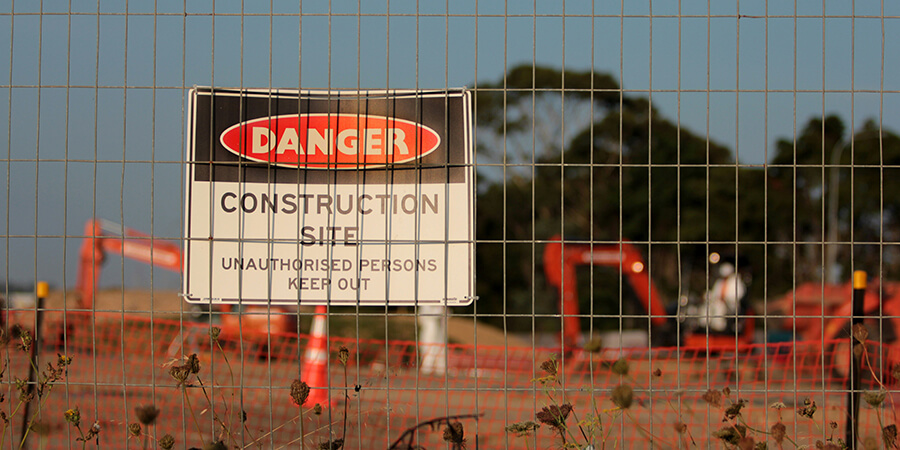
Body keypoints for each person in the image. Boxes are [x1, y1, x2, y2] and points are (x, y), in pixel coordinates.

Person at [698, 257, 747, 334]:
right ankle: (704, 324)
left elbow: (739, 295)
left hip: (730, 306)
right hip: (717, 302)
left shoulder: (736, 282)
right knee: (707, 306)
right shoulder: (719, 282)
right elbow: (714, 293)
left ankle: (719, 327)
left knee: (719, 307)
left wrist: (725, 298)